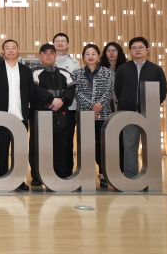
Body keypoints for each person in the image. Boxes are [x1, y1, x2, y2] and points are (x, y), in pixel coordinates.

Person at [114, 37, 167, 178]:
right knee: (130, 147)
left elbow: (162, 91)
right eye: (134, 48)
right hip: (129, 113)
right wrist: (125, 101)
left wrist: (152, 106)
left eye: (141, 47)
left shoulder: (156, 70)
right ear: (130, 51)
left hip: (149, 114)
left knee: (150, 147)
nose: (137, 50)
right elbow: (118, 89)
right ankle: (131, 178)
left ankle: (151, 178)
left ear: (147, 50)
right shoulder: (123, 69)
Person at [0, 39, 35, 191]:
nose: (10, 50)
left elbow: (31, 92)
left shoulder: (26, 70)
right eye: (7, 48)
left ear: (18, 50)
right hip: (2, 115)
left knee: (19, 150)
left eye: (13, 47)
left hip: (21, 115)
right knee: (2, 148)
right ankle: (2, 177)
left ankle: (19, 180)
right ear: (3, 51)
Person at [29, 44, 76, 182]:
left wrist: (61, 100)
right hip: (39, 114)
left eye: (51, 52)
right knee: (38, 147)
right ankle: (37, 177)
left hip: (61, 115)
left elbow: (71, 89)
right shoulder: (32, 72)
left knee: (60, 146)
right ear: (40, 56)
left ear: (55, 55)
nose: (48, 55)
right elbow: (35, 89)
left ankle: (60, 175)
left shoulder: (65, 73)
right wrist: (51, 100)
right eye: (45, 53)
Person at [73, 44, 114, 188]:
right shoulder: (76, 73)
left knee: (102, 146)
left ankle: (102, 174)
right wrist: (91, 106)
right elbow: (76, 93)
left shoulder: (107, 73)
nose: (90, 57)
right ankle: (85, 174)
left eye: (94, 54)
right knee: (85, 146)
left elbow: (109, 91)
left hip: (103, 114)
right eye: (87, 54)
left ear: (98, 56)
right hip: (84, 114)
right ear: (83, 57)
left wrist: (98, 107)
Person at [52, 33, 81, 176]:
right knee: (51, 141)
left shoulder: (74, 63)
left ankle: (67, 171)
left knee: (67, 140)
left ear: (68, 44)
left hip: (70, 107)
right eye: (57, 41)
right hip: (50, 106)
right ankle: (51, 172)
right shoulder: (48, 60)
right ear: (53, 44)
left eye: (63, 41)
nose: (60, 43)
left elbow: (74, 86)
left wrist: (62, 99)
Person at [101, 42, 127, 112]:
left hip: (123, 104)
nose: (111, 53)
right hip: (105, 105)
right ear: (105, 53)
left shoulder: (126, 68)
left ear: (119, 52)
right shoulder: (100, 69)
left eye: (114, 50)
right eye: (109, 51)